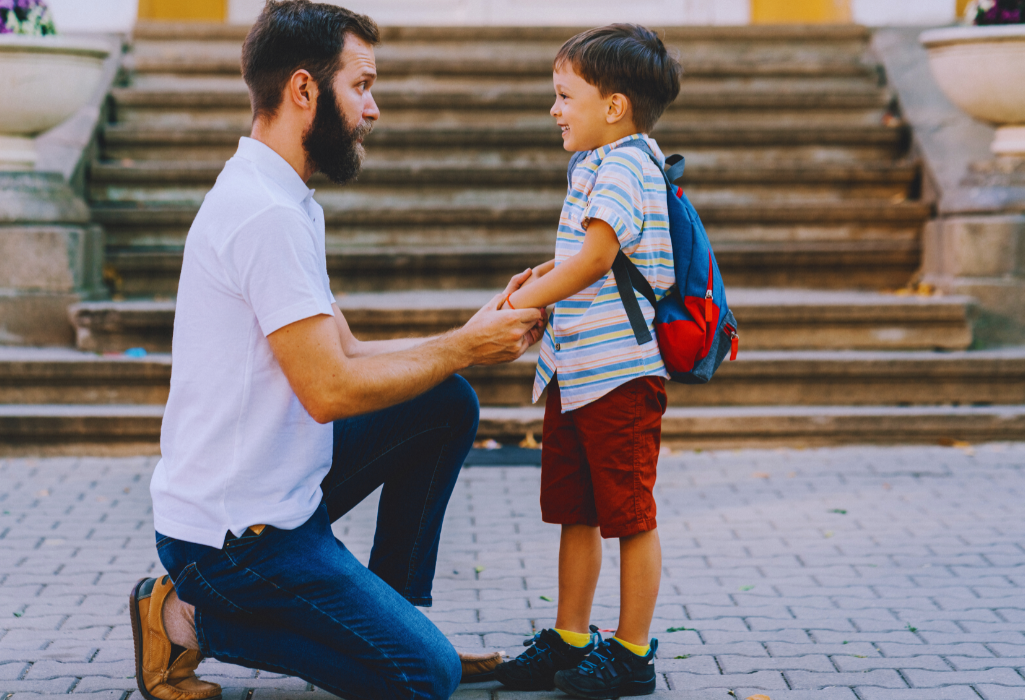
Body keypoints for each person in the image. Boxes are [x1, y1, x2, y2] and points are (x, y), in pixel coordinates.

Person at [126, 2, 545, 700]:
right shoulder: (264, 215)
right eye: (362, 85)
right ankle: (182, 617)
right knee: (423, 677)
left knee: (443, 401)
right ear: (303, 90)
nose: (373, 109)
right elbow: (331, 391)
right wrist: (464, 345)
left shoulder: (284, 198)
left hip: (280, 492)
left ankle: (389, 617)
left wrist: (467, 336)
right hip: (234, 543)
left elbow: (346, 350)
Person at [491, 24, 683, 699]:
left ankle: (631, 654)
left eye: (564, 94)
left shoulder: (631, 161)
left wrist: (518, 310)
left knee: (630, 514)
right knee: (576, 510)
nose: (555, 108)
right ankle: (571, 637)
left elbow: (600, 259)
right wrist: (541, 275)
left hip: (621, 375)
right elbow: (589, 254)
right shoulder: (594, 163)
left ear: (615, 105)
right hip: (575, 372)